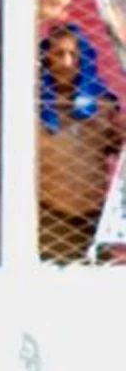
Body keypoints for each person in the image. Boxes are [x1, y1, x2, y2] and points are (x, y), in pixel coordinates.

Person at [38, 23, 123, 264]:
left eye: (73, 55)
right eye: (58, 54)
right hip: (52, 214)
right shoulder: (35, 104)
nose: (66, 63)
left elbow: (117, 147)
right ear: (47, 58)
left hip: (94, 217)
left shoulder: (102, 105)